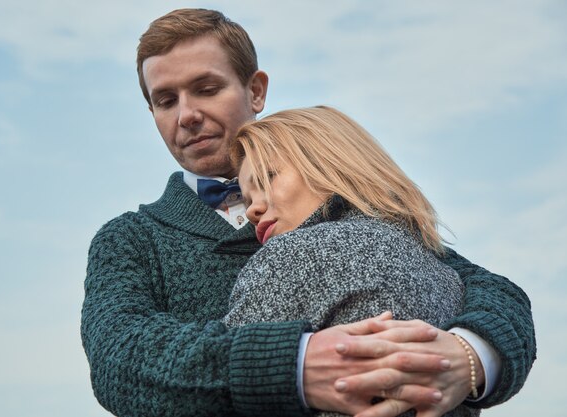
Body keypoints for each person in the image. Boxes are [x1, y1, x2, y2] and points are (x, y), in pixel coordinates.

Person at [80, 8, 536, 417]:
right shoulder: (131, 238)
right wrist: (292, 364)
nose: (187, 115)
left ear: (255, 91)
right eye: (166, 100)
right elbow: (118, 355)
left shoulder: (353, 211)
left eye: (206, 88)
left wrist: (468, 356)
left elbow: (490, 291)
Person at [223, 105, 481, 417]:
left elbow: (222, 394)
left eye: (268, 178)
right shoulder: (445, 273)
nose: (251, 210)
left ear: (331, 163)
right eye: (248, 199)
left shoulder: (292, 253)